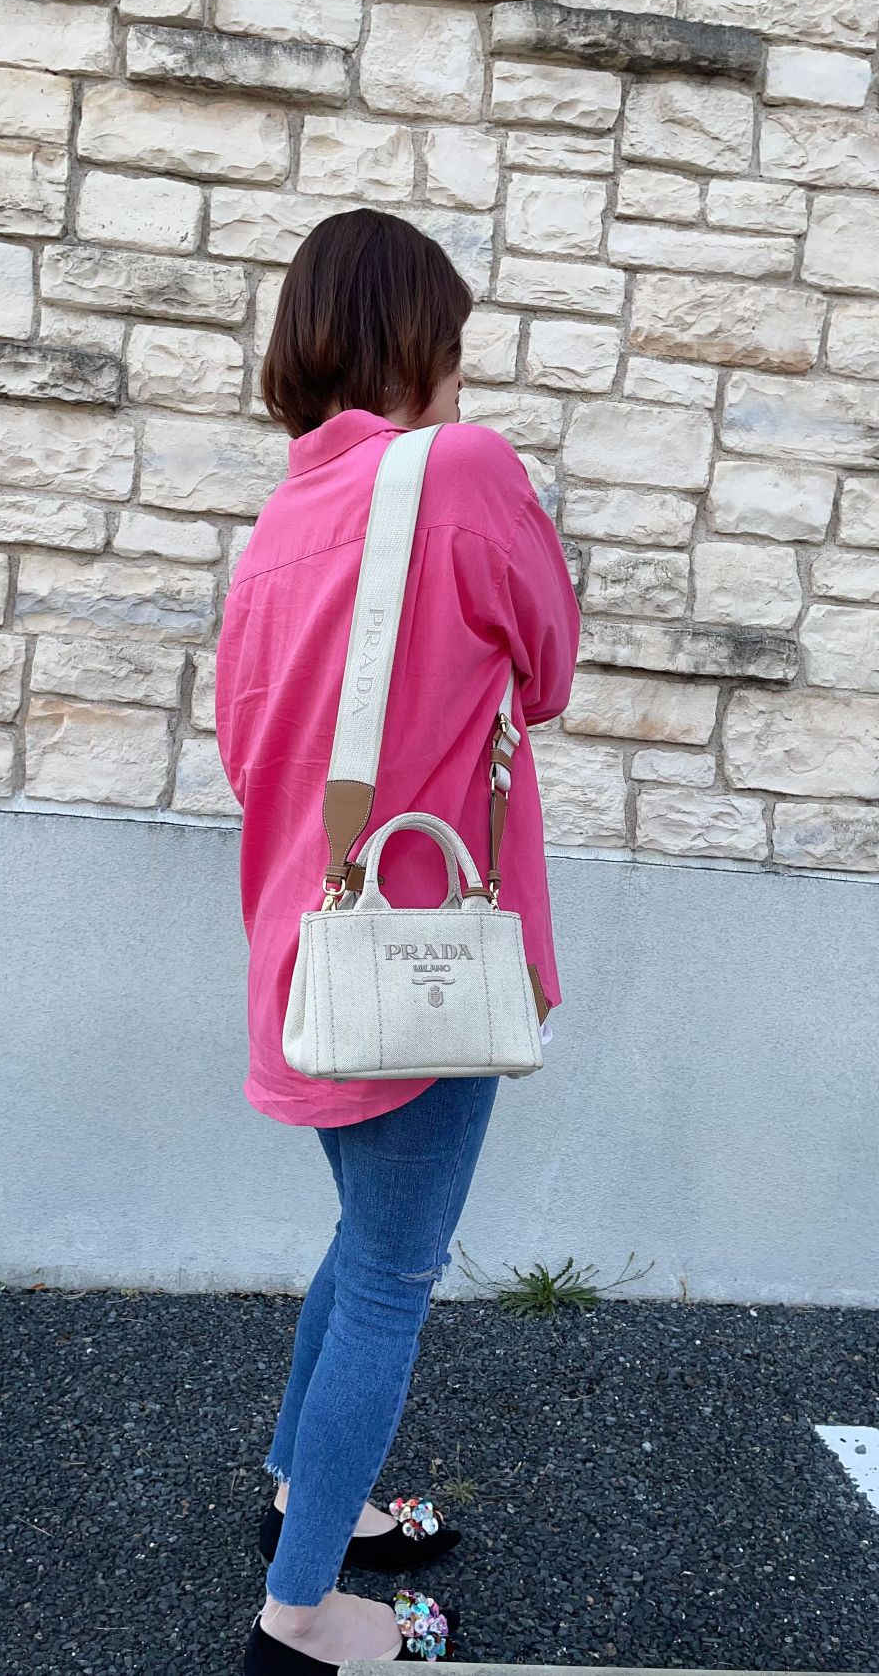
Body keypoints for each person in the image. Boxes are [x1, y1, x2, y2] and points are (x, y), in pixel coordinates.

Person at [214, 208, 580, 1672]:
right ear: (417, 342)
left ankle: (306, 1493)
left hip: (305, 957)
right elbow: (547, 669)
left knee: (362, 1244)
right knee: (389, 1274)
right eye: (456, 342)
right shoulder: (463, 471)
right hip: (422, 966)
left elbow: (249, 758)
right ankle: (302, 1620)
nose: (463, 373)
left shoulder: (277, 526)